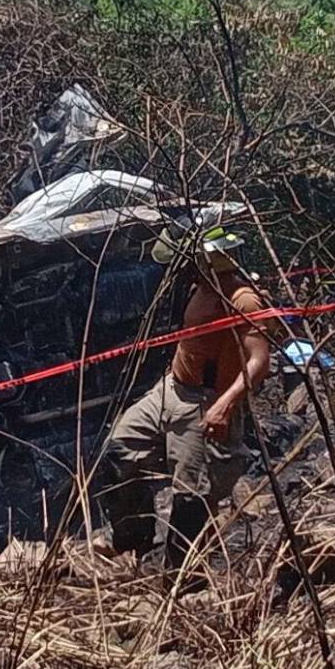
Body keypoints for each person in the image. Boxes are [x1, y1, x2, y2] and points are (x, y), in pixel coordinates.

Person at [100, 224, 273, 569]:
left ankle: (181, 575)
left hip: (204, 401)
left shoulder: (242, 299)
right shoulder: (200, 289)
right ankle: (133, 538)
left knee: (191, 495)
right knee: (118, 450)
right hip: (172, 389)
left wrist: (224, 405)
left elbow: (259, 361)